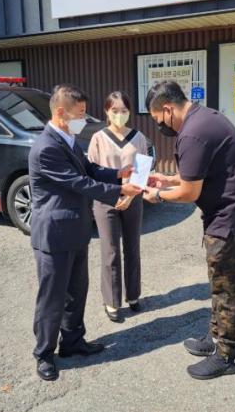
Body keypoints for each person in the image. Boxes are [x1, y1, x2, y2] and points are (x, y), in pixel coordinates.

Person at [142, 80, 235, 380]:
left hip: (229, 220)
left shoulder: (192, 133)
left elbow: (189, 192)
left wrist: (157, 195)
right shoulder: (203, 118)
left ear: (167, 109)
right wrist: (167, 179)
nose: (160, 126)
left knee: (226, 289)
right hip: (229, 214)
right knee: (218, 282)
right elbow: (195, 175)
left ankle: (226, 356)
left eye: (158, 120)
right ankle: (215, 337)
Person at [28, 84, 142, 382]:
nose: (83, 119)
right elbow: (79, 183)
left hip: (76, 230)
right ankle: (44, 353)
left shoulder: (68, 139)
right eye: (79, 114)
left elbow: (89, 169)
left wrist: (118, 174)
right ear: (60, 112)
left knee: (76, 291)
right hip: (54, 235)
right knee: (52, 297)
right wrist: (120, 191)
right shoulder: (47, 147)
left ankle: (73, 341)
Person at [88, 91, 150, 323]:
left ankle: (133, 295)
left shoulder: (138, 137)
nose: (119, 115)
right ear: (107, 111)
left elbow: (142, 170)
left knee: (132, 247)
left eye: (124, 110)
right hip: (106, 200)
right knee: (110, 250)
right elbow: (93, 172)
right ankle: (112, 300)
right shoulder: (98, 138)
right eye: (115, 110)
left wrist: (131, 195)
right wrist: (115, 194)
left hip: (133, 199)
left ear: (130, 112)